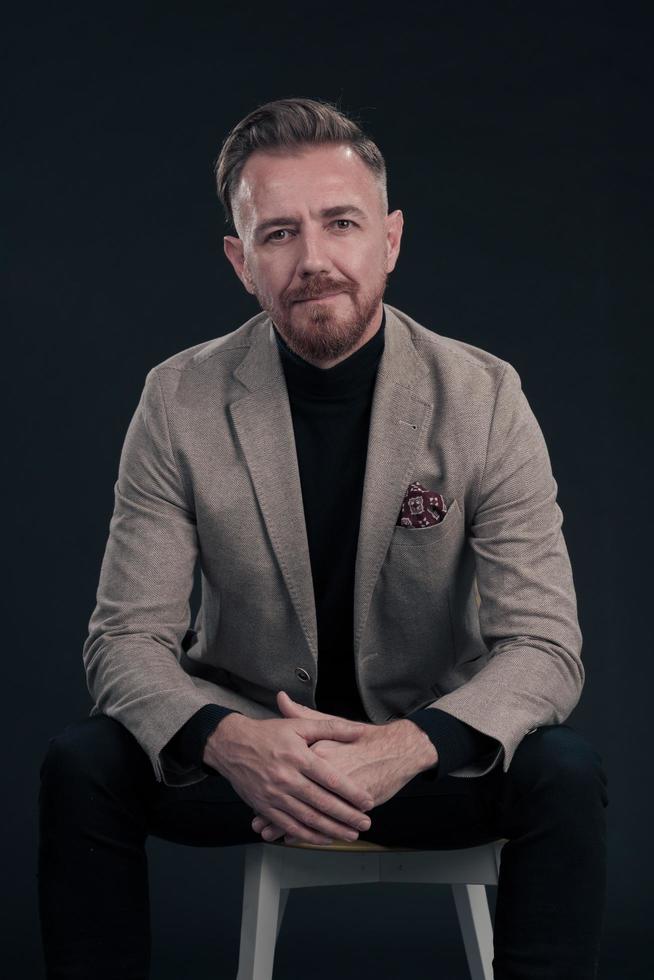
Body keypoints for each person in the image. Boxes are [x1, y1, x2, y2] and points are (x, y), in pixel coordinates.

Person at [38, 97, 608, 979]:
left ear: (389, 239)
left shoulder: (486, 396)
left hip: (426, 765)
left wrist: (410, 746)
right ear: (240, 260)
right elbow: (124, 640)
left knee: (565, 775)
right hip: (250, 760)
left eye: (341, 223)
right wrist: (232, 742)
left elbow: (545, 645)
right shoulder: (178, 399)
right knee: (82, 764)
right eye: (278, 234)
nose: (313, 261)